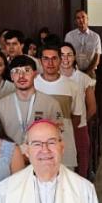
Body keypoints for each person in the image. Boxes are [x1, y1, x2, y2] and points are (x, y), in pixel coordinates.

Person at [33, 41, 83, 169]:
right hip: (38, 146)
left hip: (64, 145)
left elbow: (76, 118)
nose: (50, 63)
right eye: (46, 59)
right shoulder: (33, 85)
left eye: (54, 58)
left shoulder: (73, 86)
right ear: (40, 61)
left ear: (60, 60)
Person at [0, 55, 65, 145]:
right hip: (11, 157)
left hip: (41, 156)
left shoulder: (51, 104)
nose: (21, 76)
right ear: (11, 76)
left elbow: (58, 135)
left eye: (27, 70)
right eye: (16, 71)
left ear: (35, 74)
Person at [58, 42, 98, 177]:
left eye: (69, 55)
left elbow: (92, 107)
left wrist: (81, 121)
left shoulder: (83, 78)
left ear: (74, 57)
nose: (65, 58)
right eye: (62, 55)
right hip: (58, 127)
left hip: (79, 126)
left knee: (81, 160)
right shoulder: (52, 78)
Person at [64, 9, 102, 75]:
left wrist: (88, 72)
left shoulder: (95, 37)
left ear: (87, 19)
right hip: (73, 71)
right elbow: (66, 55)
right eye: (78, 18)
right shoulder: (69, 36)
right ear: (75, 21)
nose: (81, 20)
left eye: (83, 17)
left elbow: (97, 57)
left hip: (90, 71)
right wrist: (76, 70)